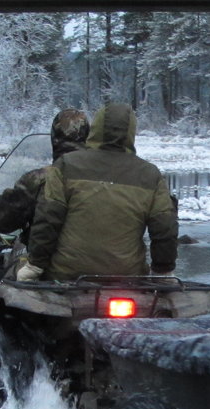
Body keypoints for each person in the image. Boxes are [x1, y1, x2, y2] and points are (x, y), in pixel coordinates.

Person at [20, 102, 178, 282]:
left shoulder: (66, 165)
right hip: (128, 277)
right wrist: (163, 271)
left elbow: (48, 218)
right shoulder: (150, 174)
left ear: (95, 127)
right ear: (131, 132)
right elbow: (165, 227)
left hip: (66, 275)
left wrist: (35, 265)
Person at [0, 108, 90, 244]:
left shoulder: (40, 179)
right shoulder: (104, 177)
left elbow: (1, 217)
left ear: (54, 138)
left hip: (49, 261)